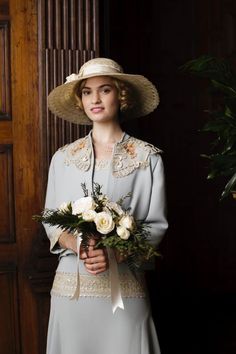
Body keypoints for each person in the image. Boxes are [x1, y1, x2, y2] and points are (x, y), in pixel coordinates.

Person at [44, 57, 168, 354]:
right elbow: (50, 221)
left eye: (105, 90)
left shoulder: (147, 158)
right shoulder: (63, 158)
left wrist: (114, 253)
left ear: (121, 95)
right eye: (87, 92)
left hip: (124, 290)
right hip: (71, 290)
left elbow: (155, 225)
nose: (95, 99)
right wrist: (79, 245)